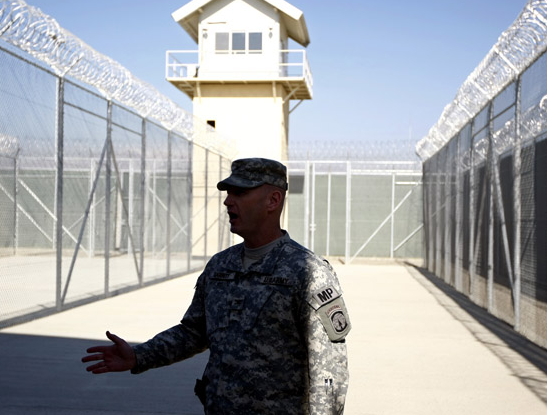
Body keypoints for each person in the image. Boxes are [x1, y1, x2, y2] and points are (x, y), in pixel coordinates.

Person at [81, 157, 351, 414]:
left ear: (273, 200)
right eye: (228, 193)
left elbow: (329, 370)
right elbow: (195, 332)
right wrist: (140, 355)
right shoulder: (220, 266)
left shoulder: (307, 272)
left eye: (240, 193)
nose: (228, 202)